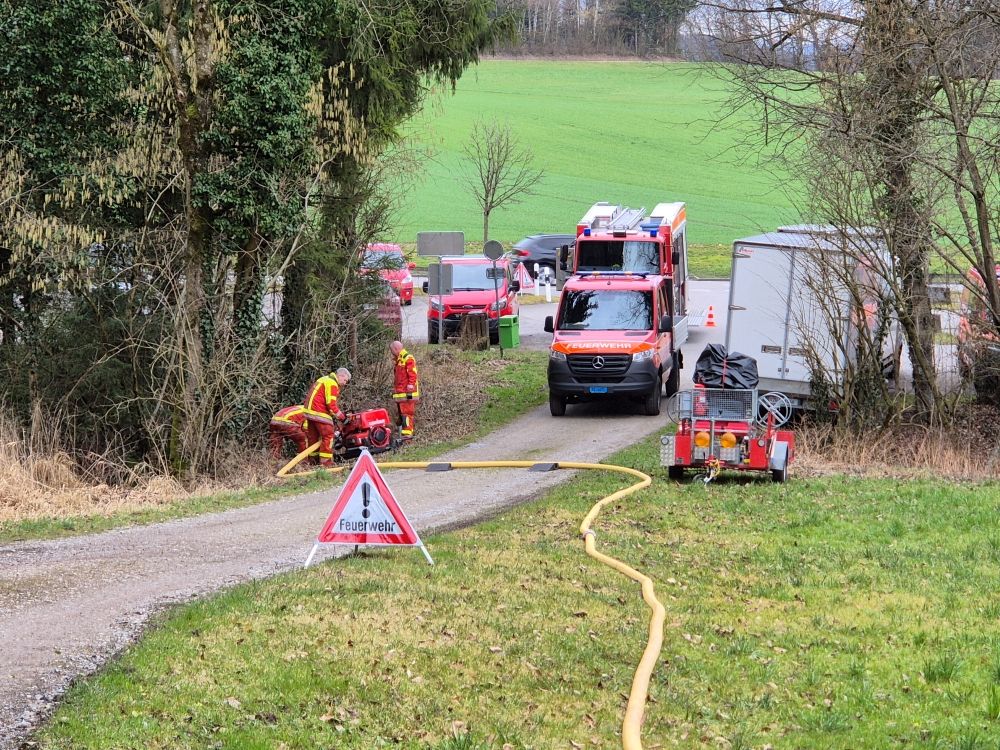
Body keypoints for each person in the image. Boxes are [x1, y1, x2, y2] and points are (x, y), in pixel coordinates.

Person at [303, 367, 351, 466]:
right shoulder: (332, 383)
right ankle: (326, 462)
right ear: (341, 375)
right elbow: (331, 406)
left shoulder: (324, 379)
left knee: (313, 438)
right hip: (319, 412)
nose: (345, 383)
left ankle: (313, 461)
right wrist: (343, 418)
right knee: (328, 435)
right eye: (345, 380)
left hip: (309, 412)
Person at [390, 341, 420, 440]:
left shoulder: (407, 358)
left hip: (408, 393)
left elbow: (413, 373)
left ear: (396, 349)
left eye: (392, 351)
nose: (392, 353)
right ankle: (404, 434)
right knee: (402, 414)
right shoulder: (399, 360)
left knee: (407, 413)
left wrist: (411, 385)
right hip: (402, 394)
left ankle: (407, 435)